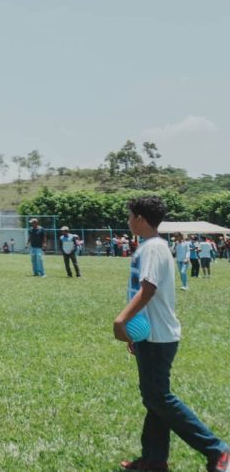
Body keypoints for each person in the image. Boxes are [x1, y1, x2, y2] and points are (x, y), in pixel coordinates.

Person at [114, 196, 229, 472]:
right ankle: (154, 460)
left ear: (140, 218)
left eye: (130, 216)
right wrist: (136, 332)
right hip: (150, 334)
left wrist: (122, 320)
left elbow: (148, 288)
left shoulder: (153, 248)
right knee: (154, 397)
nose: (128, 221)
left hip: (159, 336)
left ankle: (219, 451)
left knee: (159, 397)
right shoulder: (151, 246)